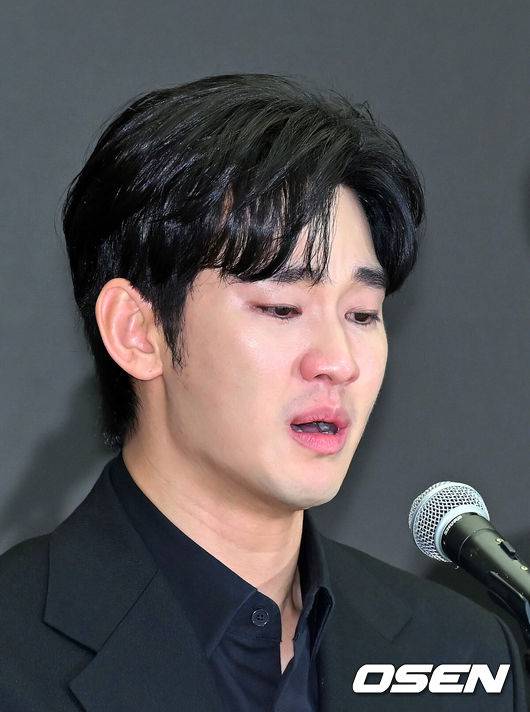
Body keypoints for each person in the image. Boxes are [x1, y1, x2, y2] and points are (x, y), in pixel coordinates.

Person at [0, 73, 526, 711]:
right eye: (282, 308)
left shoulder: (466, 653)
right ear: (137, 331)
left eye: (362, 314)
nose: (338, 362)